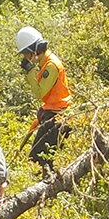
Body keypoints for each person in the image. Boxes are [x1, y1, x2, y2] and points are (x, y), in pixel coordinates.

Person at [16, 25, 71, 173]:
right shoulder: (44, 64)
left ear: (34, 51)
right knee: (44, 159)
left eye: (26, 55)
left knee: (38, 161)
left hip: (57, 116)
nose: (26, 59)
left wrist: (30, 72)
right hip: (52, 113)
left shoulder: (51, 66)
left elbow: (40, 93)